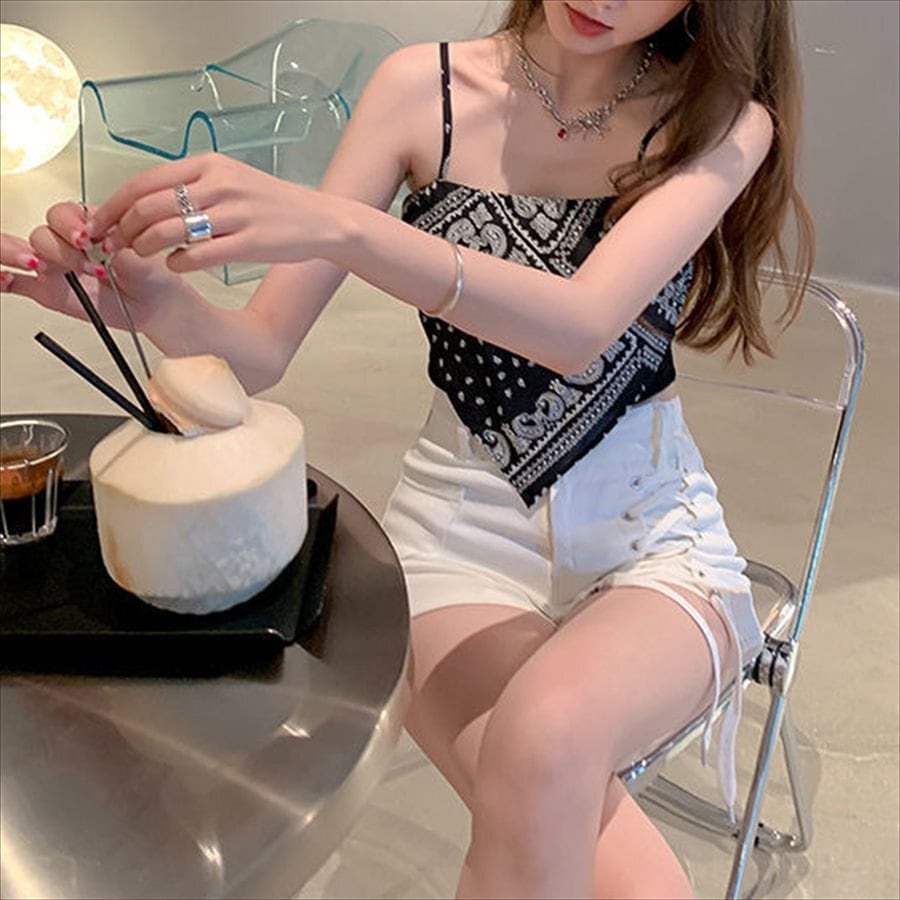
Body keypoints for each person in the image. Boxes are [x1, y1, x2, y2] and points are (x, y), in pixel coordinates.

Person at [1, 1, 814, 896]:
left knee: (546, 736)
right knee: (573, 805)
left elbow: (578, 327)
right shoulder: (421, 89)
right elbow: (260, 350)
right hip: (457, 534)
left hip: (654, 535)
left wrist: (343, 225)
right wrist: (150, 304)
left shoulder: (719, 118)